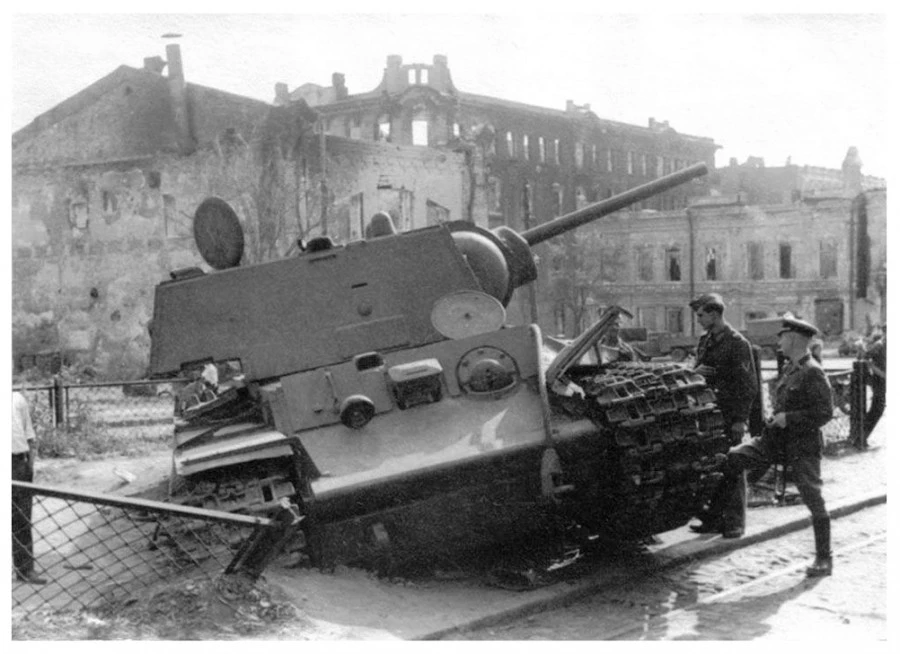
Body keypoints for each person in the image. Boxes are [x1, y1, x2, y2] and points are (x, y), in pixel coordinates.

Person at [712, 317, 835, 576]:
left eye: (782, 336)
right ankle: (728, 520)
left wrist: (789, 418)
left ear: (794, 339)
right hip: (774, 440)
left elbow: (824, 413)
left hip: (801, 444)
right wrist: (777, 418)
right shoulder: (791, 368)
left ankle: (824, 558)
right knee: (731, 459)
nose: (778, 341)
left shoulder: (812, 371)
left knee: (812, 495)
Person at [687, 293, 758, 539]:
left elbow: (748, 386)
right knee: (714, 466)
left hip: (729, 414)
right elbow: (698, 373)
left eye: (701, 315)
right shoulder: (705, 341)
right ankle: (713, 519)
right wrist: (695, 372)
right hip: (709, 414)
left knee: (734, 466)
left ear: (715, 314)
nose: (698, 320)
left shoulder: (737, 343)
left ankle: (736, 522)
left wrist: (740, 419)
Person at [12, 391, 47, 584]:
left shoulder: (17, 398)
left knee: (22, 517)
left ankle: (25, 569)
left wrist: (29, 466)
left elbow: (29, 436)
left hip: (18, 463)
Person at [864, 324, 886, 436]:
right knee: (878, 409)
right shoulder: (879, 345)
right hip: (879, 380)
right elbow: (865, 358)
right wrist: (877, 371)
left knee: (878, 408)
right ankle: (862, 435)